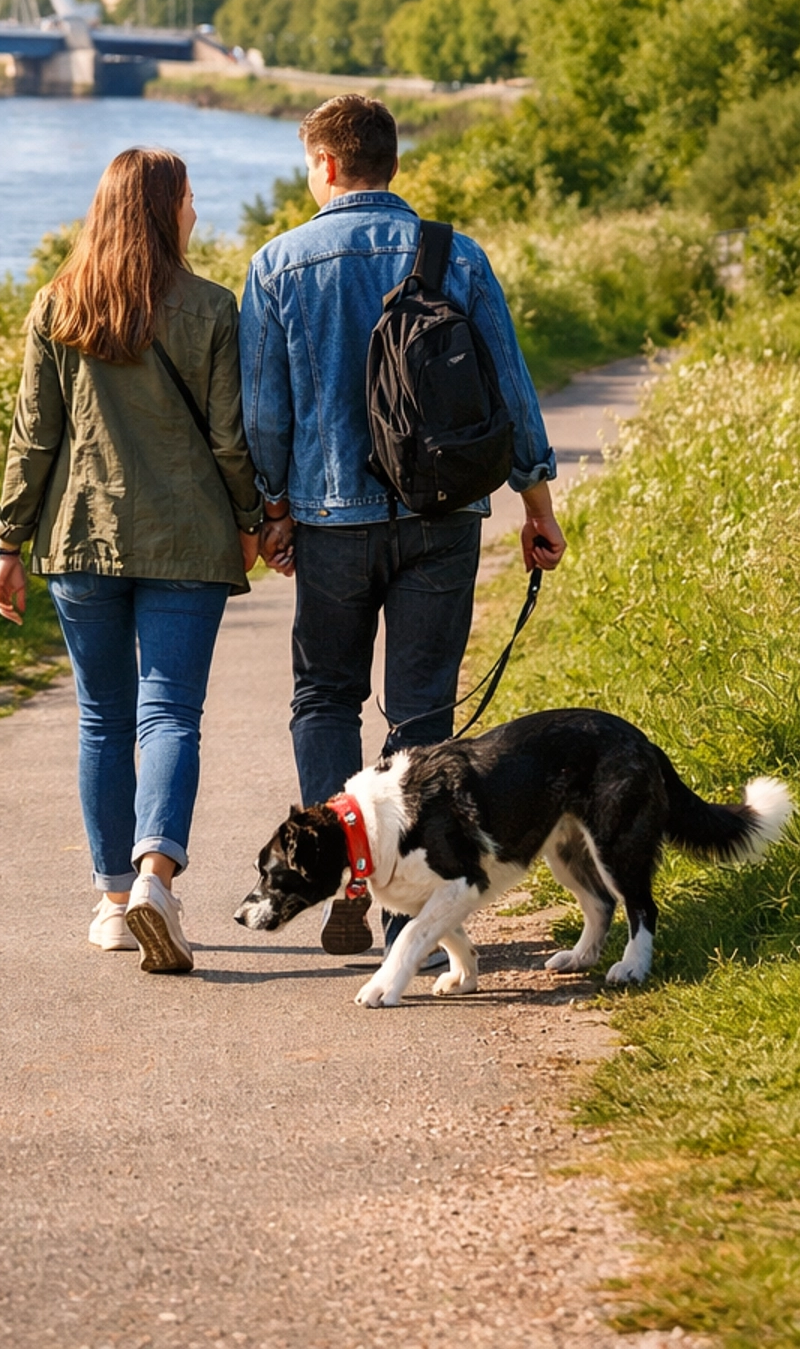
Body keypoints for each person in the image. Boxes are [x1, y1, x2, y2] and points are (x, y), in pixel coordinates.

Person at [240, 93, 566, 957]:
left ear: (329, 166)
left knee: (324, 694)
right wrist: (537, 505)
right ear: (391, 163)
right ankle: (405, 909)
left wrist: (273, 511)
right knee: (422, 709)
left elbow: (265, 412)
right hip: (444, 513)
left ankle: (341, 865)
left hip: (331, 519)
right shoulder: (455, 255)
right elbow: (511, 389)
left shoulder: (278, 265)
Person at [0, 147, 263, 974]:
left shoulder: (58, 306)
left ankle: (114, 903)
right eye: (187, 199)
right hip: (188, 539)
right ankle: (157, 878)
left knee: (103, 718)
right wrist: (256, 520)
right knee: (170, 712)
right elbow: (230, 439)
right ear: (163, 208)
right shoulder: (215, 308)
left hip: (82, 538)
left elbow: (35, 438)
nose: (194, 210)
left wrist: (9, 541)